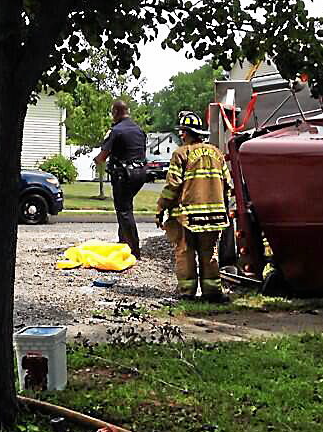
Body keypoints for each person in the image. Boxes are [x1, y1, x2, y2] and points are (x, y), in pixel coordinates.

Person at [155, 110, 231, 301]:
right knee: (209, 253)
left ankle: (187, 293)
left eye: (182, 131)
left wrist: (161, 208)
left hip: (188, 216)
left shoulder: (181, 154)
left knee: (185, 253)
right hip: (215, 216)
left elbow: (172, 186)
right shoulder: (217, 153)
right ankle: (212, 293)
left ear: (185, 133)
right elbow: (228, 184)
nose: (181, 135)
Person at [94, 99, 147, 258]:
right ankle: (123, 242)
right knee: (125, 207)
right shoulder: (139, 130)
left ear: (116, 112)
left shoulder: (116, 131)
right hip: (141, 174)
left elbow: (103, 156)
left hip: (124, 175)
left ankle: (134, 250)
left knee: (124, 211)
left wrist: (96, 160)